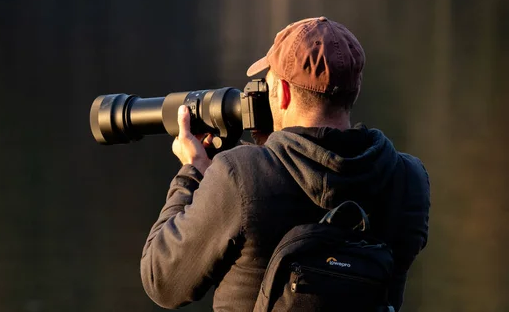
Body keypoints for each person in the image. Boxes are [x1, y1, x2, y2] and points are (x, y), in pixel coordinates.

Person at [140, 16, 430, 311]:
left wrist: (192, 172)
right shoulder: (407, 181)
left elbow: (162, 281)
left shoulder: (240, 176)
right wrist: (271, 148)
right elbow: (314, 176)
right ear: (354, 91)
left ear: (284, 93)